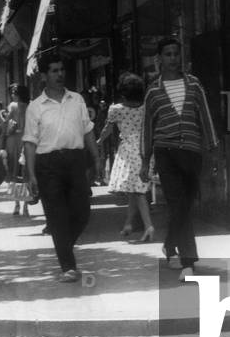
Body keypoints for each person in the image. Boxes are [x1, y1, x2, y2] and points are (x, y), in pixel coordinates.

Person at [139, 37, 218, 282]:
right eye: (168, 54)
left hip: (192, 152)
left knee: (185, 205)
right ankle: (188, 262)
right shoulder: (153, 91)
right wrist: (145, 160)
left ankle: (169, 243)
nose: (173, 58)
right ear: (159, 59)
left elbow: (205, 116)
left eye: (176, 53)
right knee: (177, 204)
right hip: (166, 152)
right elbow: (147, 127)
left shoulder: (194, 84)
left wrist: (213, 148)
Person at [23, 52, 103, 282]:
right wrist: (31, 174)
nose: (59, 74)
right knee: (56, 216)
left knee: (82, 212)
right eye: (54, 71)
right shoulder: (35, 107)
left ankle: (63, 245)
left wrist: (96, 158)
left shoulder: (76, 100)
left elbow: (88, 130)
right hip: (48, 165)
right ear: (44, 76)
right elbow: (29, 142)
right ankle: (68, 266)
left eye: (61, 70)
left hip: (76, 161)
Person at [98, 73, 153, 242]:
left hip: (128, 151)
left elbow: (108, 129)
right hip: (144, 149)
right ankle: (128, 223)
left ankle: (148, 226)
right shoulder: (146, 108)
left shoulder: (116, 109)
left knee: (137, 191)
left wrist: (99, 141)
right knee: (134, 190)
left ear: (123, 93)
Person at [4, 84, 32, 216]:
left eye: (14, 93)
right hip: (27, 141)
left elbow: (6, 123)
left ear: (18, 94)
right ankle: (26, 206)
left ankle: (16, 205)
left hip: (13, 141)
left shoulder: (12, 106)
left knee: (14, 173)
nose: (12, 95)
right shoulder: (30, 107)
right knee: (26, 174)